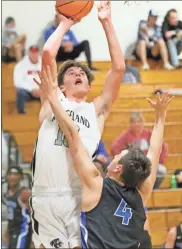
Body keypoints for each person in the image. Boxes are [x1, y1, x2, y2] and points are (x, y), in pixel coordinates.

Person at [38, 63, 173, 248]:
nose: (114, 155)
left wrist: (52, 98)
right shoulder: (142, 194)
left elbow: (72, 136)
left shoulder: (96, 185)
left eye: (118, 156)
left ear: (118, 168)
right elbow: (155, 151)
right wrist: (161, 117)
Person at [31, 1, 125, 248]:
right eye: (71, 73)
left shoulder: (96, 111)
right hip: (46, 195)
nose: (77, 73)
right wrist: (65, 24)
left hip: (78, 197)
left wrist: (106, 23)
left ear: (89, 86)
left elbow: (119, 68)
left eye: (81, 73)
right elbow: (48, 55)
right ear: (60, 85)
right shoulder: (53, 99)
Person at [111, 111, 168, 189]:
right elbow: (115, 147)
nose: (137, 124)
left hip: (148, 164)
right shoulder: (125, 135)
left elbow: (163, 146)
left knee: (162, 170)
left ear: (143, 123)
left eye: (139, 122)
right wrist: (122, 160)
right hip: (133, 165)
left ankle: (152, 189)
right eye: (134, 122)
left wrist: (159, 161)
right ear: (130, 124)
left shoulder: (149, 134)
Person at [2, 166, 32, 249]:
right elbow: (11, 217)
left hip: (23, 232)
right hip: (12, 232)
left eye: (15, 174)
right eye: (10, 174)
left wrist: (34, 239)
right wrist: (6, 233)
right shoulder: (8, 194)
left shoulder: (25, 193)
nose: (12, 177)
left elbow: (35, 216)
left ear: (21, 177)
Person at [13, 45, 41, 114]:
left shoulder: (44, 63)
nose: (34, 55)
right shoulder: (20, 65)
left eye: (36, 53)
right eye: (32, 53)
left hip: (41, 91)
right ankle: (21, 113)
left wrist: (40, 89)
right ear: (29, 54)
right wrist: (31, 89)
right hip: (27, 92)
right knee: (20, 93)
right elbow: (18, 82)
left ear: (38, 53)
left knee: (53, 92)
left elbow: (48, 78)